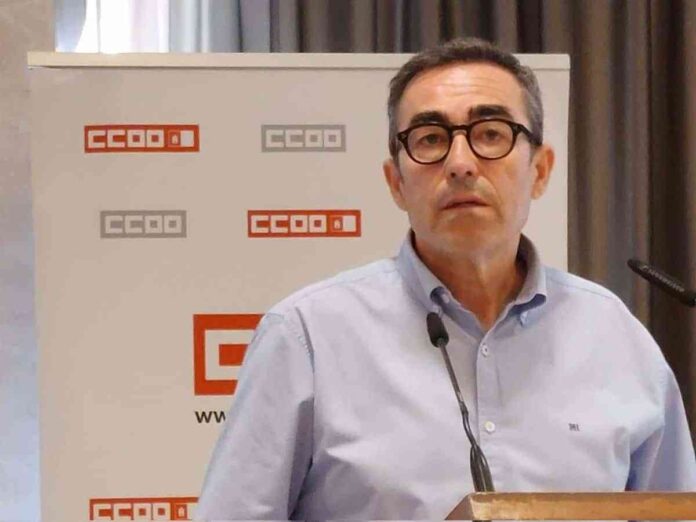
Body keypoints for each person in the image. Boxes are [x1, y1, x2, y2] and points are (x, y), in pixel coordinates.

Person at [195, 38, 696, 520]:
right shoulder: (307, 337)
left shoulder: (616, 337)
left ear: (541, 170)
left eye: (491, 134)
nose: (460, 164)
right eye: (431, 139)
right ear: (396, 182)